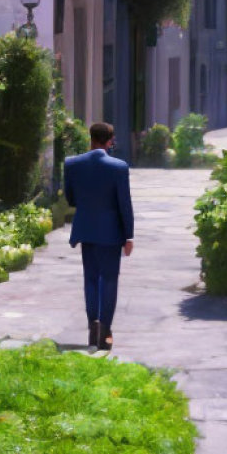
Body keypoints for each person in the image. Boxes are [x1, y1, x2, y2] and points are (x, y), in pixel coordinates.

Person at [64, 122, 134, 350]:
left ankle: (93, 326)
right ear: (110, 141)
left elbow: (71, 199)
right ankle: (105, 330)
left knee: (91, 279)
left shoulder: (72, 164)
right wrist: (129, 235)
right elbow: (124, 204)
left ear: (91, 138)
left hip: (86, 230)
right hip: (111, 232)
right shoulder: (119, 167)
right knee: (110, 280)